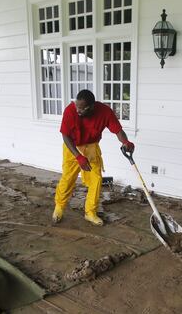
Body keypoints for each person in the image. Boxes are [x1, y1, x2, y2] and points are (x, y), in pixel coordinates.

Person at [53, 90, 134, 226]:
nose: (78, 110)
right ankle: (59, 207)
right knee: (68, 178)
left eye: (82, 108)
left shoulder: (104, 112)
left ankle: (90, 212)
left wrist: (125, 142)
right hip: (72, 147)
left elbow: (118, 130)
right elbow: (65, 136)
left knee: (96, 179)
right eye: (77, 106)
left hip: (91, 147)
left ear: (91, 107)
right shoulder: (70, 111)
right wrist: (78, 156)